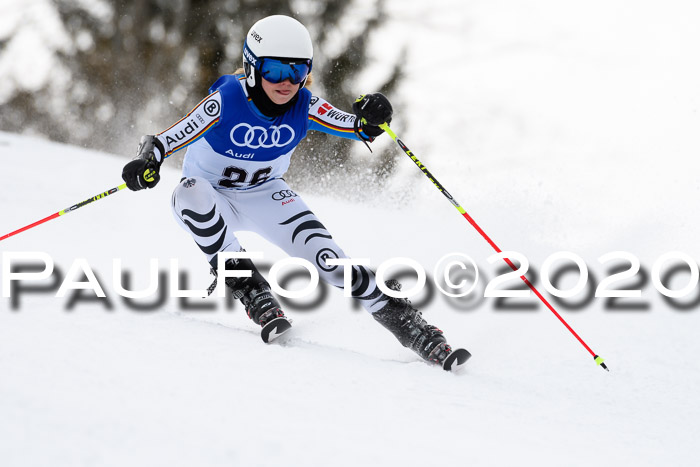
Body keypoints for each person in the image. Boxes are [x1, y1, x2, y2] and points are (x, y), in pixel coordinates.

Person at [122, 15, 456, 365]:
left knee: (330, 261)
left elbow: (358, 128)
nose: (287, 83)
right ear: (252, 68)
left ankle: (407, 323)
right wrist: (147, 161)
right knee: (188, 192)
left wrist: (374, 115)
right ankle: (251, 290)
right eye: (275, 71)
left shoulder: (305, 105)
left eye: (297, 72)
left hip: (265, 195)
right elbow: (162, 141)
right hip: (212, 196)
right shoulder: (226, 101)